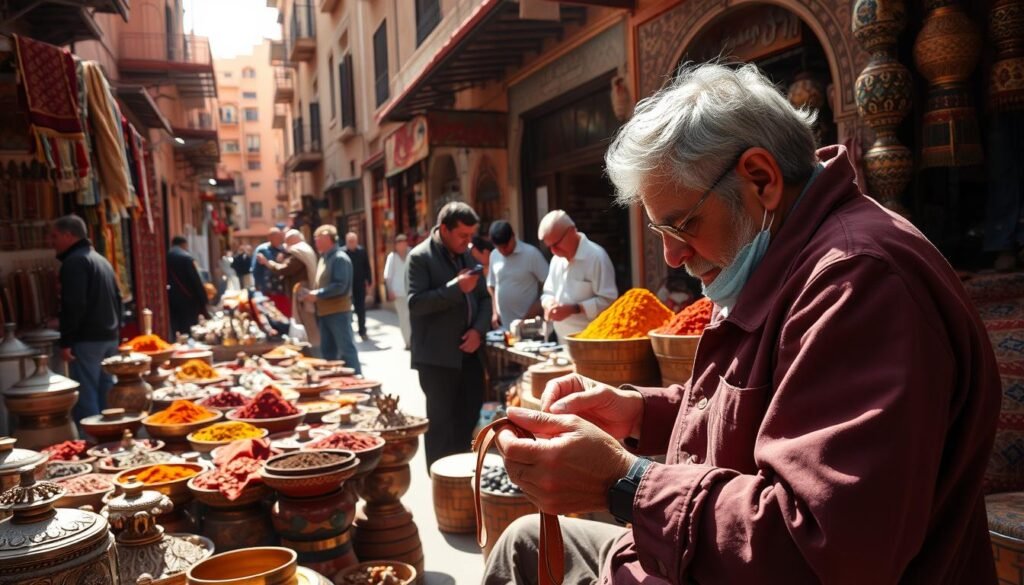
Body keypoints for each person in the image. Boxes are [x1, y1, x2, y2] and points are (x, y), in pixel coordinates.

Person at [484, 63, 1001, 584]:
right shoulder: (779, 252)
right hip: (701, 555)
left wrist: (625, 485)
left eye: (682, 224)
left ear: (761, 179)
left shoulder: (857, 283)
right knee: (522, 544)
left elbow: (821, 550)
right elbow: (763, 394)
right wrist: (641, 413)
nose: (672, 255)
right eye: (660, 229)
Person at [407, 202, 492, 467]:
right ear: (444, 229)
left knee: (467, 419)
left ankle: (461, 478)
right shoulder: (420, 257)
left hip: (470, 355)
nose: (468, 242)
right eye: (463, 236)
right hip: (437, 359)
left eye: (471, 236)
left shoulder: (467, 256)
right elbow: (416, 304)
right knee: (442, 425)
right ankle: (441, 482)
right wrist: (456, 288)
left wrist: (478, 330)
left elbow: (484, 300)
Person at [50, 214, 122, 422]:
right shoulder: (100, 260)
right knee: (105, 390)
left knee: (87, 394)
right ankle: (110, 437)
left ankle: (92, 442)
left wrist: (66, 342)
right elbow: (118, 299)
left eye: (55, 237)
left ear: (68, 235)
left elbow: (74, 304)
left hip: (88, 340)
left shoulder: (75, 262)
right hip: (108, 337)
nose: (51, 242)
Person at [538, 210, 618, 342]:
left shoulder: (596, 257)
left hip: (591, 342)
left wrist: (574, 309)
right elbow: (548, 293)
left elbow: (609, 302)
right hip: (562, 340)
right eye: (549, 247)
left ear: (571, 231)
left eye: (556, 244)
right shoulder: (556, 260)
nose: (553, 251)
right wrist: (549, 304)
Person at [302, 225, 361, 374]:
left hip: (338, 312)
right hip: (325, 312)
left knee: (346, 350)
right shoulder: (324, 258)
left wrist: (318, 294)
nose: (316, 242)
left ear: (330, 239)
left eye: (319, 239)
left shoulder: (339, 258)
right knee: (328, 352)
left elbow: (340, 286)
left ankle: (358, 380)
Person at [260, 229, 320, 352]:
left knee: (308, 324)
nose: (285, 245)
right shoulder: (302, 251)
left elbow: (285, 269)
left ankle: (314, 351)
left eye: (287, 242)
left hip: (303, 293)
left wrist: (268, 263)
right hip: (303, 291)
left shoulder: (299, 252)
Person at [487, 220, 548, 330]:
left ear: (513, 236)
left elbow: (550, 284)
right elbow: (492, 285)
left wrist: (536, 309)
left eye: (505, 246)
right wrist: (495, 312)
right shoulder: (494, 255)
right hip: (503, 326)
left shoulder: (531, 254)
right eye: (499, 247)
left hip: (529, 325)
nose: (502, 251)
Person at [167, 235, 210, 337]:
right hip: (188, 298)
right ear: (183, 244)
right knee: (188, 327)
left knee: (176, 325)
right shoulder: (186, 258)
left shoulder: (166, 256)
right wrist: (203, 300)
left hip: (171, 297)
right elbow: (195, 281)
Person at [252, 228, 290, 318]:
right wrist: (259, 287)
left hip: (282, 289)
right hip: (267, 289)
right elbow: (256, 270)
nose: (279, 239)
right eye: (276, 237)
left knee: (284, 314)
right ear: (269, 238)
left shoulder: (284, 250)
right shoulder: (263, 250)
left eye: (280, 237)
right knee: (271, 315)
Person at [383, 234, 412, 349]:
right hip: (398, 291)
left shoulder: (412, 253)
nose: (402, 246)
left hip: (412, 290)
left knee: (412, 316)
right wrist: (390, 290)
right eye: (400, 244)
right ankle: (408, 341)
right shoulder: (392, 257)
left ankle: (414, 339)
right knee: (403, 317)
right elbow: (388, 276)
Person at [344, 231, 373, 340]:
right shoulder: (342, 253)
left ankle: (362, 331)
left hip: (359, 284)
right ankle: (349, 332)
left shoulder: (361, 251)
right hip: (347, 286)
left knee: (361, 309)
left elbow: (367, 266)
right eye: (350, 241)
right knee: (347, 309)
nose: (352, 243)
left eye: (353, 241)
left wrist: (369, 280)